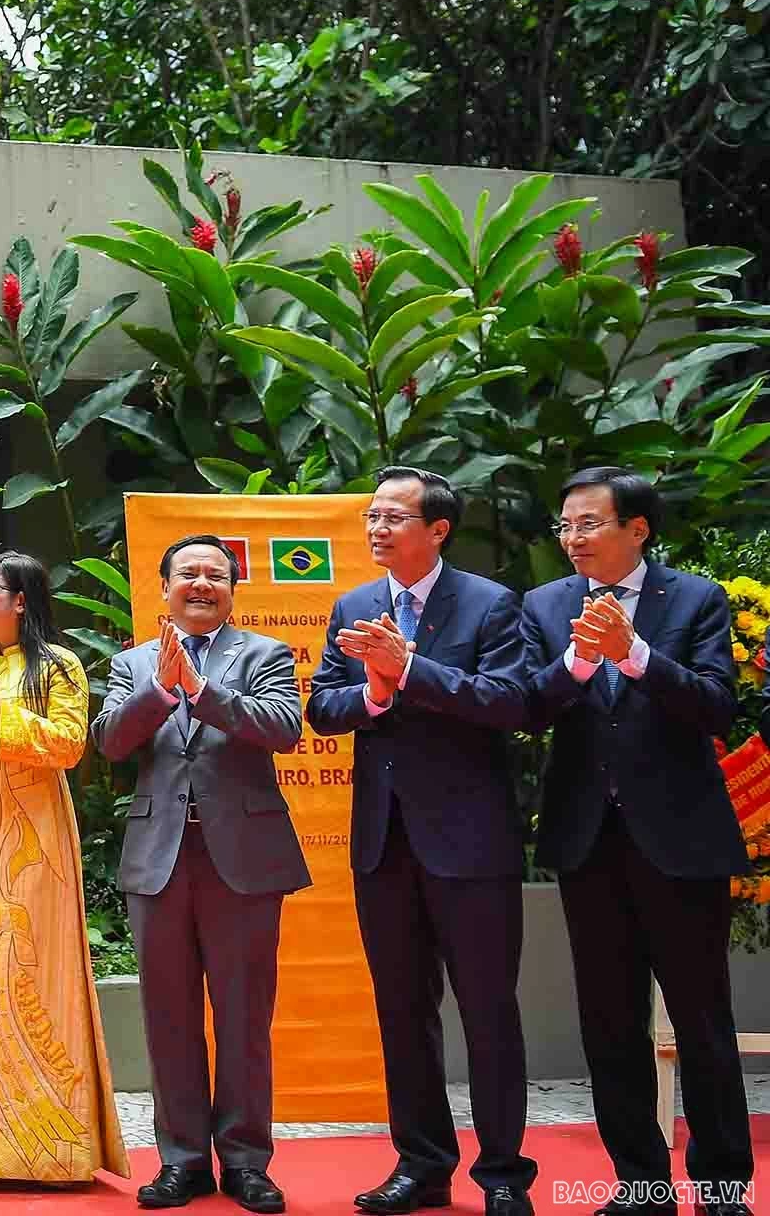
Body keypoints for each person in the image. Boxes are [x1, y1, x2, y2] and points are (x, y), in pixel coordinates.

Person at [521, 467, 752, 1216]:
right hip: (590, 839)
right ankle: (641, 1186)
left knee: (702, 1020)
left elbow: (717, 706)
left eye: (587, 524)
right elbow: (526, 706)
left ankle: (721, 1189)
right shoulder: (546, 605)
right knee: (610, 1022)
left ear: (637, 529)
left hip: (680, 839)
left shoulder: (694, 599)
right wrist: (581, 661)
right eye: (565, 526)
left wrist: (636, 655)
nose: (572, 539)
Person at [307, 466, 536, 1216]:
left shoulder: (490, 604)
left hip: (470, 842)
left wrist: (409, 669)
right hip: (383, 842)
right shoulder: (356, 603)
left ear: (437, 530)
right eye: (371, 515)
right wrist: (373, 691)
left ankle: (503, 1176)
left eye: (393, 517)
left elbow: (508, 703)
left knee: (487, 1011)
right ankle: (423, 1165)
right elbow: (321, 706)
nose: (377, 528)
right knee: (403, 1011)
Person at [96, 535, 307, 1212]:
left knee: (245, 1018)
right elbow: (110, 741)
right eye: (188, 573)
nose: (201, 583)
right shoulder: (133, 664)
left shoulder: (264, 655)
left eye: (215, 575)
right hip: (159, 861)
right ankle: (182, 1160)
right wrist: (162, 690)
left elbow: (282, 727)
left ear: (232, 591)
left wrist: (203, 690)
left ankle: (247, 1162)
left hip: (242, 862)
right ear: (164, 589)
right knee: (169, 1017)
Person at [0, 550, 130, 1184]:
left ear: (22, 601)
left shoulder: (57, 664)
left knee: (30, 965)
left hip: (35, 837)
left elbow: (68, 744)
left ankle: (49, 1147)